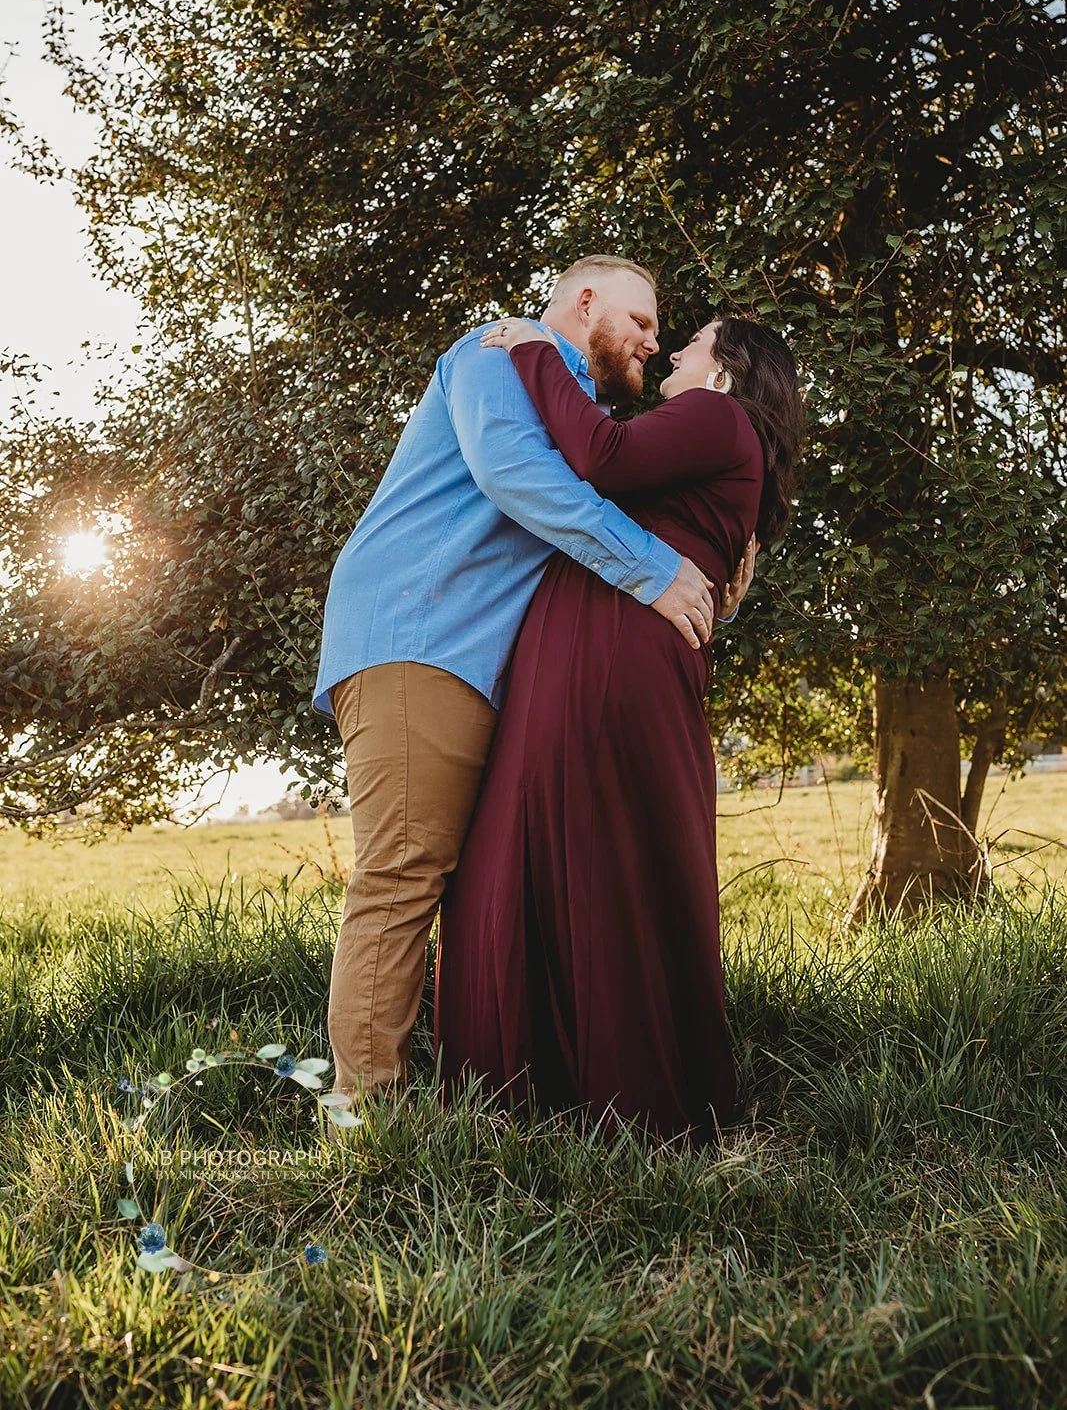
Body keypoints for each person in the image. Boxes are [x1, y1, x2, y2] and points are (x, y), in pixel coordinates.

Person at [312, 256, 758, 1103]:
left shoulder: (585, 417)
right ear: (584, 302)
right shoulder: (495, 352)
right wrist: (654, 569)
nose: (653, 343)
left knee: (457, 875)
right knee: (403, 872)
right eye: (640, 321)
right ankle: (365, 1114)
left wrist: (710, 579)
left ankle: (483, 1085)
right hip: (420, 635)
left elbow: (615, 530)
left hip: (484, 664)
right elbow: (515, 477)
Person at [434, 312, 804, 1150]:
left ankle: (577, 1092)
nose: (672, 349)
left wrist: (534, 348)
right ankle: (593, 1085)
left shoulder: (714, 414)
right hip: (611, 645)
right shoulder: (725, 440)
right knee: (601, 846)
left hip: (606, 650)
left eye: (693, 341)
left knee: (571, 839)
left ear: (727, 369)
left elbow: (599, 456)